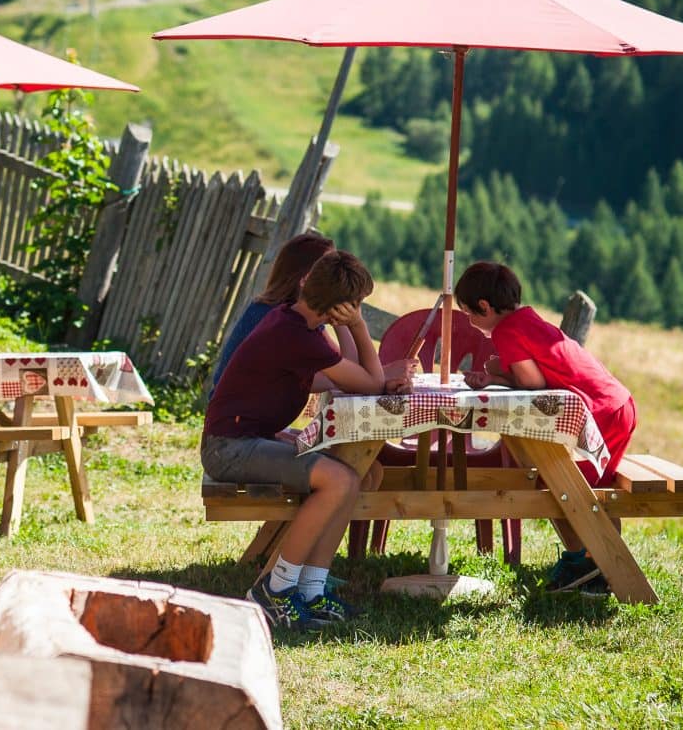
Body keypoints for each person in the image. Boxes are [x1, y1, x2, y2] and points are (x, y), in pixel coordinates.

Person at [202, 250, 419, 629]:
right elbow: (367, 383)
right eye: (356, 306)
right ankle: (275, 590)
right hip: (229, 449)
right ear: (343, 305)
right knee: (339, 479)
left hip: (243, 441)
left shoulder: (295, 324)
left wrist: (345, 330)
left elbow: (346, 377)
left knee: (355, 478)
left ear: (306, 283)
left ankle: (311, 591)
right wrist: (359, 327)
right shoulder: (295, 334)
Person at [455, 261, 637, 595]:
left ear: (484, 306)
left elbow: (532, 385)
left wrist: (498, 374)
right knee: (579, 486)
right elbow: (535, 376)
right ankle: (593, 562)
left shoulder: (505, 331)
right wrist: (497, 376)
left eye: (469, 314)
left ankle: (597, 566)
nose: (470, 321)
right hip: (615, 402)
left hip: (600, 412)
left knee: (570, 488)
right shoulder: (527, 318)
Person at [211, 232, 358, 397]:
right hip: (237, 416)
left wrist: (338, 317)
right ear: (306, 277)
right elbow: (346, 377)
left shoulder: (296, 314)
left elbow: (347, 372)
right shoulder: (281, 319)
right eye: (330, 269)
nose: (337, 276)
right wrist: (347, 320)